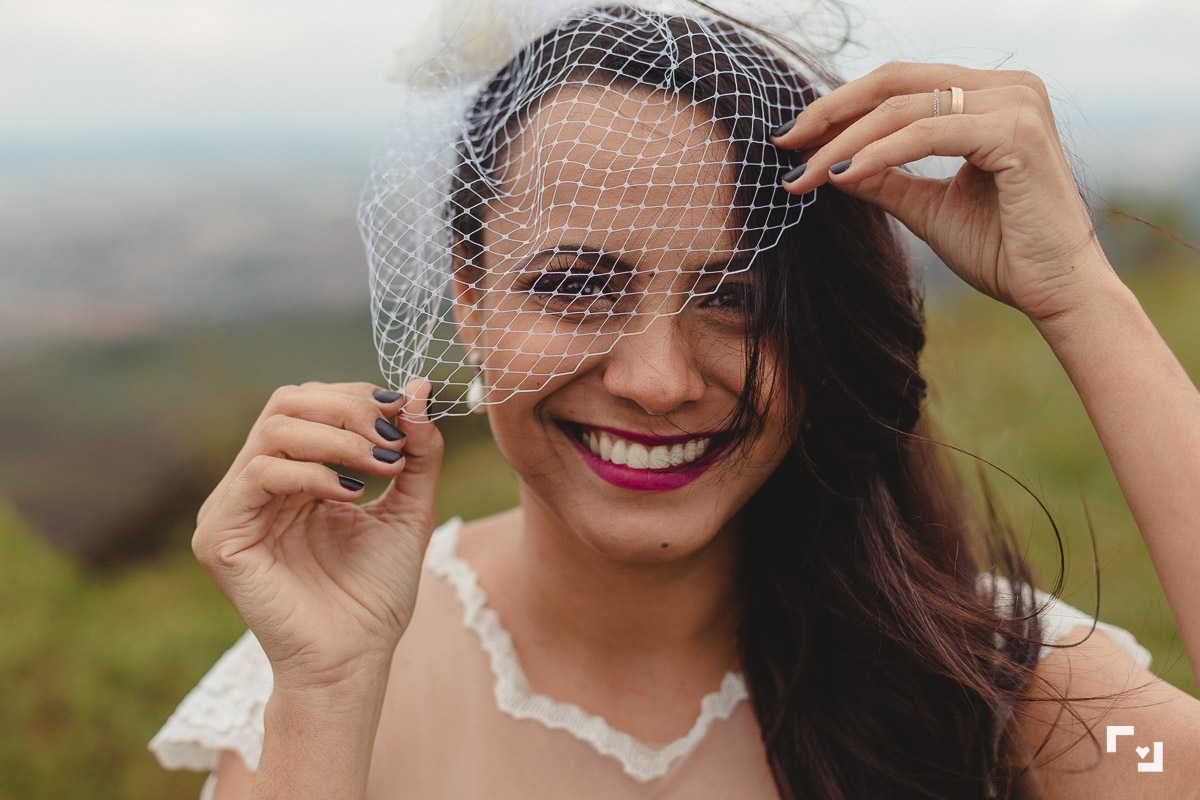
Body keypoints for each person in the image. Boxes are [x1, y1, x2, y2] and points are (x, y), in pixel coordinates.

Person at [150, 3, 1200, 798]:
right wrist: (327, 696)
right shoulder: (321, 682)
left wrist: (1079, 296)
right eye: (573, 284)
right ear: (467, 298)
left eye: (738, 299)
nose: (657, 380)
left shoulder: (987, 685)